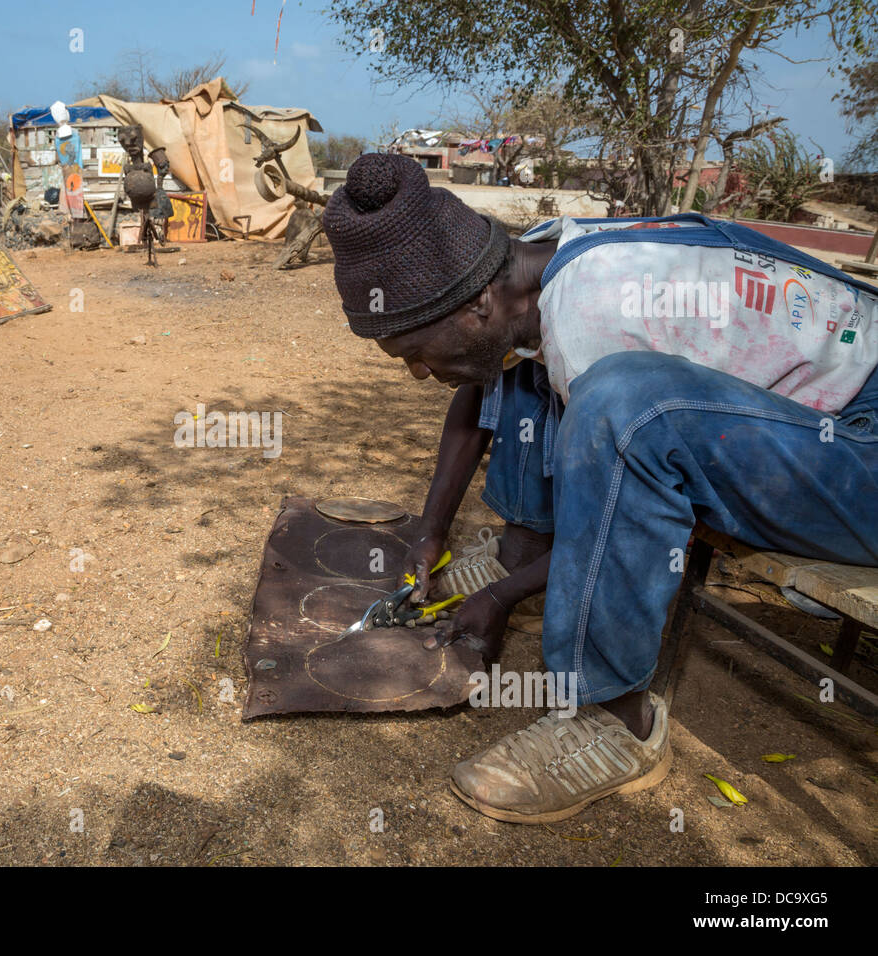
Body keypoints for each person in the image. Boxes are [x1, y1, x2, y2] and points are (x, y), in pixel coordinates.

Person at [322, 152, 878, 823]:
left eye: (414, 354)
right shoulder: (533, 268)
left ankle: (616, 719)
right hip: (822, 417)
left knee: (622, 406)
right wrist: (431, 532)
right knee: (531, 359)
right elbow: (480, 383)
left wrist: (499, 600)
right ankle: (521, 552)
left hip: (859, 443)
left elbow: (620, 505)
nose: (416, 372)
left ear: (475, 305)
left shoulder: (598, 315)